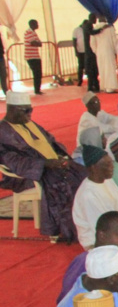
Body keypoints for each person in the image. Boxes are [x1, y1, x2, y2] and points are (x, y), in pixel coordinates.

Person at [0, 92, 86, 242]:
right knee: (64, 182)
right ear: (13, 110)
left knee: (84, 174)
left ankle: (86, 223)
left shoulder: (28, 123)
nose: (30, 114)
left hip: (50, 166)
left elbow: (50, 141)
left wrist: (59, 156)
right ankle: (66, 230)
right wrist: (45, 164)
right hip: (27, 175)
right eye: (26, 111)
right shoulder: (3, 131)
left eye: (31, 110)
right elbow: (12, 161)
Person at [72, 145, 118, 249]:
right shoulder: (88, 195)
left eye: (111, 163)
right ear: (93, 168)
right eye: (107, 164)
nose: (112, 167)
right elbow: (104, 229)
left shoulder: (108, 181)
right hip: (98, 244)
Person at [92, 16, 118, 93]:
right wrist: (115, 51)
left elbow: (92, 43)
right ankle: (110, 87)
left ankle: (103, 86)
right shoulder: (110, 28)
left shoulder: (94, 29)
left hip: (99, 51)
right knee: (109, 69)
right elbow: (114, 41)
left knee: (102, 69)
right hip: (108, 50)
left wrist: (96, 51)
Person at [82, 14, 103, 91]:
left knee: (93, 71)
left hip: (90, 52)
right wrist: (101, 29)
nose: (96, 20)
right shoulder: (88, 26)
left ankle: (95, 86)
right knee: (92, 71)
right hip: (89, 52)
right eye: (95, 19)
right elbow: (92, 32)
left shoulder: (88, 25)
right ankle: (91, 87)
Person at [23, 19, 44, 95]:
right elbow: (34, 43)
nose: (38, 25)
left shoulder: (33, 33)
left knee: (39, 73)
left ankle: (38, 89)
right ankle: (37, 90)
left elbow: (40, 44)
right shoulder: (28, 32)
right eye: (36, 24)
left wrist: (37, 43)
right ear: (32, 24)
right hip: (31, 56)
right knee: (36, 73)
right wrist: (37, 43)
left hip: (36, 56)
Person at [72, 21, 86, 86]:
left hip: (87, 51)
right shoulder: (76, 30)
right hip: (80, 51)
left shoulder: (87, 29)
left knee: (88, 66)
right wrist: (76, 51)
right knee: (81, 66)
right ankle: (80, 80)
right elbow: (74, 41)